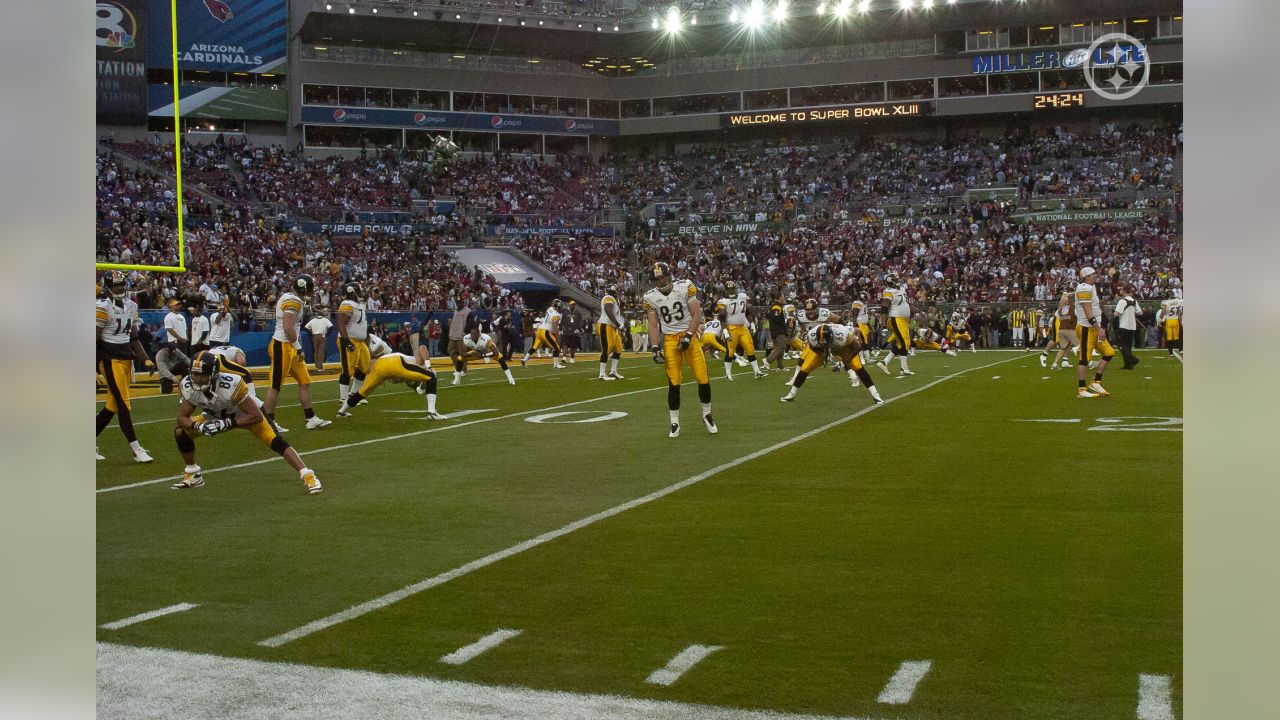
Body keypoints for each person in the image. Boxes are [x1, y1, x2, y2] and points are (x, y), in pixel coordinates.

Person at [169, 351, 322, 495]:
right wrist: (198, 425)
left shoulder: (231, 384)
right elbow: (182, 418)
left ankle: (308, 475)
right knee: (181, 432)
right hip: (214, 416)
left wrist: (227, 423)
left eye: (202, 374)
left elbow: (255, 416)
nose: (197, 378)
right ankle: (193, 474)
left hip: (244, 414)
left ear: (214, 373)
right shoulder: (187, 385)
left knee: (276, 441)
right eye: (194, 374)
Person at [644, 262, 716, 438]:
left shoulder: (684, 286)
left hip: (687, 334)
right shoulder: (650, 297)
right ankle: (674, 422)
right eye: (657, 279)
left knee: (702, 377)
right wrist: (654, 347)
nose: (661, 281)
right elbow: (653, 325)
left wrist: (688, 336)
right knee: (674, 383)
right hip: (669, 340)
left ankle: (707, 414)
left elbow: (696, 314)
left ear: (669, 275)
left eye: (663, 277)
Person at [95, 271, 154, 463]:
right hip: (109, 358)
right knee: (123, 405)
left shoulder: (132, 305)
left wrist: (145, 359)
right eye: (116, 286)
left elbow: (134, 338)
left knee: (112, 405)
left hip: (125, 358)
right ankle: (137, 450)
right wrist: (95, 367)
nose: (119, 289)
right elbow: (94, 340)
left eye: (121, 285)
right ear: (108, 288)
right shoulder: (103, 307)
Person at [264, 274, 332, 430]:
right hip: (283, 345)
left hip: (289, 346)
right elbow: (288, 328)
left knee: (305, 381)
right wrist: (299, 348)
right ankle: (268, 423)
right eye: (311, 288)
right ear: (305, 288)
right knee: (275, 385)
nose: (312, 291)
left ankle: (311, 418)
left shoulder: (292, 298)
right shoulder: (293, 301)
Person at [781, 322, 883, 405]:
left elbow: (857, 347)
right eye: (821, 341)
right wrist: (824, 356)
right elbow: (812, 347)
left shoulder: (842, 335)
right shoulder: (812, 336)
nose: (824, 343)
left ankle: (875, 394)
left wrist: (843, 363)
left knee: (858, 367)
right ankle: (792, 393)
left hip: (843, 348)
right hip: (821, 350)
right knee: (805, 367)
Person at [336, 345, 443, 419]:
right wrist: (428, 366)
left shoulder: (411, 374)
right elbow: (422, 347)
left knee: (361, 393)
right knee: (432, 377)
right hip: (395, 362)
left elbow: (399, 379)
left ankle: (342, 411)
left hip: (381, 364)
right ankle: (432, 412)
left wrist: (415, 385)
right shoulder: (420, 364)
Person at [1074, 267, 1115, 398]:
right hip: (1086, 327)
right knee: (1084, 359)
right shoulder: (1084, 288)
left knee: (1109, 353)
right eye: (1092, 274)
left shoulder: (1091, 287)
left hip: (1093, 327)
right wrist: (1099, 329)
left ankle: (1096, 381)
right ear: (1086, 277)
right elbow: (1088, 312)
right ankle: (1081, 388)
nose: (1095, 276)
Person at [716, 280, 766, 380]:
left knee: (750, 349)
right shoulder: (723, 301)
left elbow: (747, 312)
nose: (731, 291)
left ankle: (757, 371)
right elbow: (721, 317)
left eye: (732, 288)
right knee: (730, 352)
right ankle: (728, 374)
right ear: (726, 290)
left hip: (742, 327)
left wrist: (751, 323)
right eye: (729, 289)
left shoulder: (742, 296)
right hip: (731, 328)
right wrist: (725, 331)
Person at [336, 280, 371, 403]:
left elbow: (365, 299)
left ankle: (354, 394)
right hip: (350, 340)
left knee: (364, 367)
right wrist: (347, 342)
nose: (360, 293)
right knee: (348, 370)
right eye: (358, 291)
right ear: (352, 292)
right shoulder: (347, 304)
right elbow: (341, 324)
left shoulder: (358, 304)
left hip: (360, 342)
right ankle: (343, 398)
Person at [876, 272, 915, 376]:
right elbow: (884, 307)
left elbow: (907, 304)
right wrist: (883, 325)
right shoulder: (888, 291)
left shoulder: (899, 291)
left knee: (900, 343)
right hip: (896, 319)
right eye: (895, 279)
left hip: (902, 320)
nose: (898, 280)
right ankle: (904, 369)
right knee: (905, 343)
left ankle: (884, 362)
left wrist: (919, 311)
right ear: (890, 281)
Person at [1041, 290, 1078, 370]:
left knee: (1063, 348)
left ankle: (1055, 364)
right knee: (1081, 345)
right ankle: (1090, 362)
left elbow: (1057, 315)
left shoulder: (1063, 308)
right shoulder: (1075, 308)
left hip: (1061, 330)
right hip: (1070, 329)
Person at [522, 299, 564, 369]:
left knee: (535, 347)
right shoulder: (556, 315)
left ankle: (525, 359)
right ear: (557, 307)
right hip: (545, 331)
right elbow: (554, 325)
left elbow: (552, 305)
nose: (560, 308)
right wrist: (557, 335)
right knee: (556, 347)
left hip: (539, 330)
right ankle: (556, 364)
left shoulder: (549, 309)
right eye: (559, 307)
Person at [595, 286, 626, 380]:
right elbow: (608, 309)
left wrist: (620, 325)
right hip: (605, 325)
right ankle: (602, 374)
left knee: (618, 348)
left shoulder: (614, 300)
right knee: (607, 348)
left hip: (612, 328)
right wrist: (618, 324)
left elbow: (616, 314)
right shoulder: (609, 298)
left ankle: (613, 371)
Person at [1113, 285, 1143, 370]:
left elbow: (1117, 313)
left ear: (1124, 291)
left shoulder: (1122, 301)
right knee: (1128, 346)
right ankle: (1128, 365)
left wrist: (1113, 313)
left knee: (1120, 344)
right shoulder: (1134, 301)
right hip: (1132, 326)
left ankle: (1132, 359)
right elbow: (1140, 312)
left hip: (1124, 325)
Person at [447, 300, 474, 384]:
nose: (458, 304)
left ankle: (464, 370)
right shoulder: (456, 310)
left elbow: (471, 324)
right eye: (457, 303)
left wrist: (466, 334)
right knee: (451, 351)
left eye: (460, 303)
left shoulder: (468, 312)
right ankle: (457, 367)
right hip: (453, 335)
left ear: (463, 303)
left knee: (462, 353)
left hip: (461, 336)